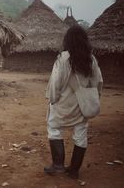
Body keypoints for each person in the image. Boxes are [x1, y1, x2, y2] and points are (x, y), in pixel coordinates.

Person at [44, 25, 103, 179]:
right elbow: (99, 82)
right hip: (82, 106)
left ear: (67, 40)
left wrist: (52, 100)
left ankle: (58, 165)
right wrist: (94, 98)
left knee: (54, 128)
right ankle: (74, 170)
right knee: (80, 134)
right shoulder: (92, 59)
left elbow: (55, 84)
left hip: (64, 104)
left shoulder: (63, 59)